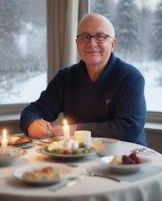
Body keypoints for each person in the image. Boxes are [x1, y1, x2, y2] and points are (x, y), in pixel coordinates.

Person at [20, 13, 147, 145]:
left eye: (100, 37)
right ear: (77, 43)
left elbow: (128, 128)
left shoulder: (130, 77)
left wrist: (74, 130)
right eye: (85, 37)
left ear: (113, 43)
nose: (92, 44)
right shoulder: (65, 77)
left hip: (127, 158)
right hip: (79, 156)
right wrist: (31, 123)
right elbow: (33, 111)